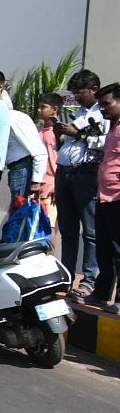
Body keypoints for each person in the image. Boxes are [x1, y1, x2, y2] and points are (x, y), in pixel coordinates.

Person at [52, 69, 108, 296]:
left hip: (86, 173)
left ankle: (89, 279)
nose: (77, 96)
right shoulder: (77, 112)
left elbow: (105, 142)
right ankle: (65, 275)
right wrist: (62, 134)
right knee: (68, 229)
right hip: (65, 171)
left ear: (94, 89)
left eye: (80, 91)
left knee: (90, 231)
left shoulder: (105, 113)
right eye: (74, 92)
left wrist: (78, 134)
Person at [90, 83, 120, 312]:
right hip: (103, 195)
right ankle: (101, 292)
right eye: (100, 105)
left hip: (117, 197)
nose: (103, 109)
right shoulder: (112, 126)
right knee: (104, 248)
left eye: (107, 104)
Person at [3, 102, 49, 204]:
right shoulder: (4, 119)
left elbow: (39, 151)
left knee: (20, 210)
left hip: (21, 168)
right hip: (15, 168)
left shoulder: (15, 118)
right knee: (17, 209)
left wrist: (36, 181)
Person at [35, 92, 61, 208]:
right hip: (36, 185)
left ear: (54, 109)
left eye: (43, 107)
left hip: (51, 186)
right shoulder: (36, 131)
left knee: (48, 223)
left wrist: (57, 185)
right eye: (39, 107)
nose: (39, 110)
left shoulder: (60, 132)